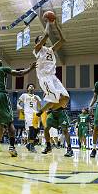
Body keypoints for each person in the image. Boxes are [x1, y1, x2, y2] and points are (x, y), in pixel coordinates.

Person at [33, 18, 73, 157]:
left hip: (54, 77)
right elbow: (46, 36)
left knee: (66, 97)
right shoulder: (37, 50)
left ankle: (44, 110)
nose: (43, 40)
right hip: (44, 78)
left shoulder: (50, 50)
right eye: (40, 39)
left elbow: (63, 40)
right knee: (56, 100)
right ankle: (44, 110)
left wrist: (56, 25)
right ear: (37, 43)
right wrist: (49, 23)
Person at [17, 83, 42, 153]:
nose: (31, 87)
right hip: (28, 113)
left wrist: (38, 100)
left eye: (33, 86)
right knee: (31, 128)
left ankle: (29, 144)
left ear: (34, 88)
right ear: (27, 88)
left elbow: (40, 107)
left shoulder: (36, 96)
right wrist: (20, 108)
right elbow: (18, 103)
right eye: (30, 86)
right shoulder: (24, 95)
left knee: (37, 129)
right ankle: (31, 146)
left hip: (35, 114)